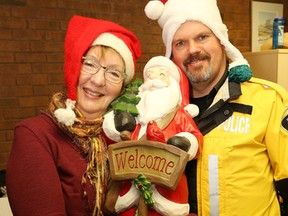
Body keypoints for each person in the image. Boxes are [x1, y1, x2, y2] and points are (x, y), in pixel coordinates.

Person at [144, 0, 288, 215]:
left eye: (202, 37)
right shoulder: (156, 112)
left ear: (222, 41)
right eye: (180, 43)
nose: (193, 50)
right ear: (171, 54)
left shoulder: (269, 101)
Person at [6, 15, 141, 216]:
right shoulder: (36, 135)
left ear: (123, 86)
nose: (98, 80)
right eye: (90, 64)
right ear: (73, 67)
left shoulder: (121, 138)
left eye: (114, 73)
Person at [102, 56, 203, 216]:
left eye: (161, 75)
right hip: (130, 185)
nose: (154, 79)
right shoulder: (136, 114)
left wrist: (185, 142)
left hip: (166, 190)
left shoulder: (179, 115)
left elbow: (195, 137)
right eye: (150, 75)